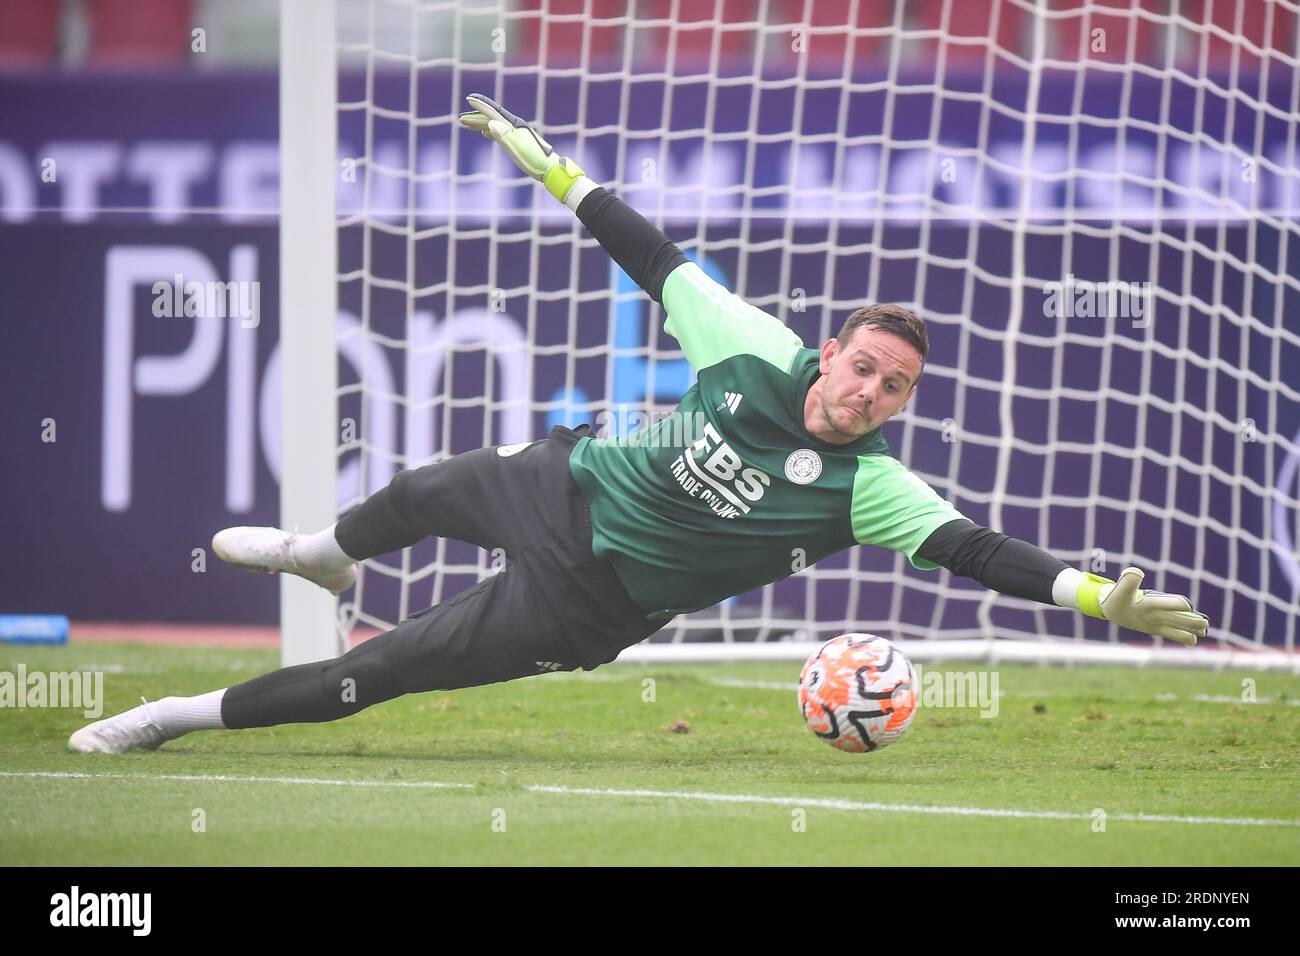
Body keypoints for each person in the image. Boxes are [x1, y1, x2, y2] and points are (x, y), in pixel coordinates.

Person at [69, 96, 1208, 754]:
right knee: (420, 488)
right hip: (568, 483)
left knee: (388, 672)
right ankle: (329, 551)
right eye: (864, 367)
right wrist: (558, 175)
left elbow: (978, 552)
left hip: (587, 602)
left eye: (896, 386)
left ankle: (171, 716)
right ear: (831, 354)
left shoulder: (870, 486)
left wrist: (1096, 593)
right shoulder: (754, 344)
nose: (871, 393)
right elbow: (653, 254)